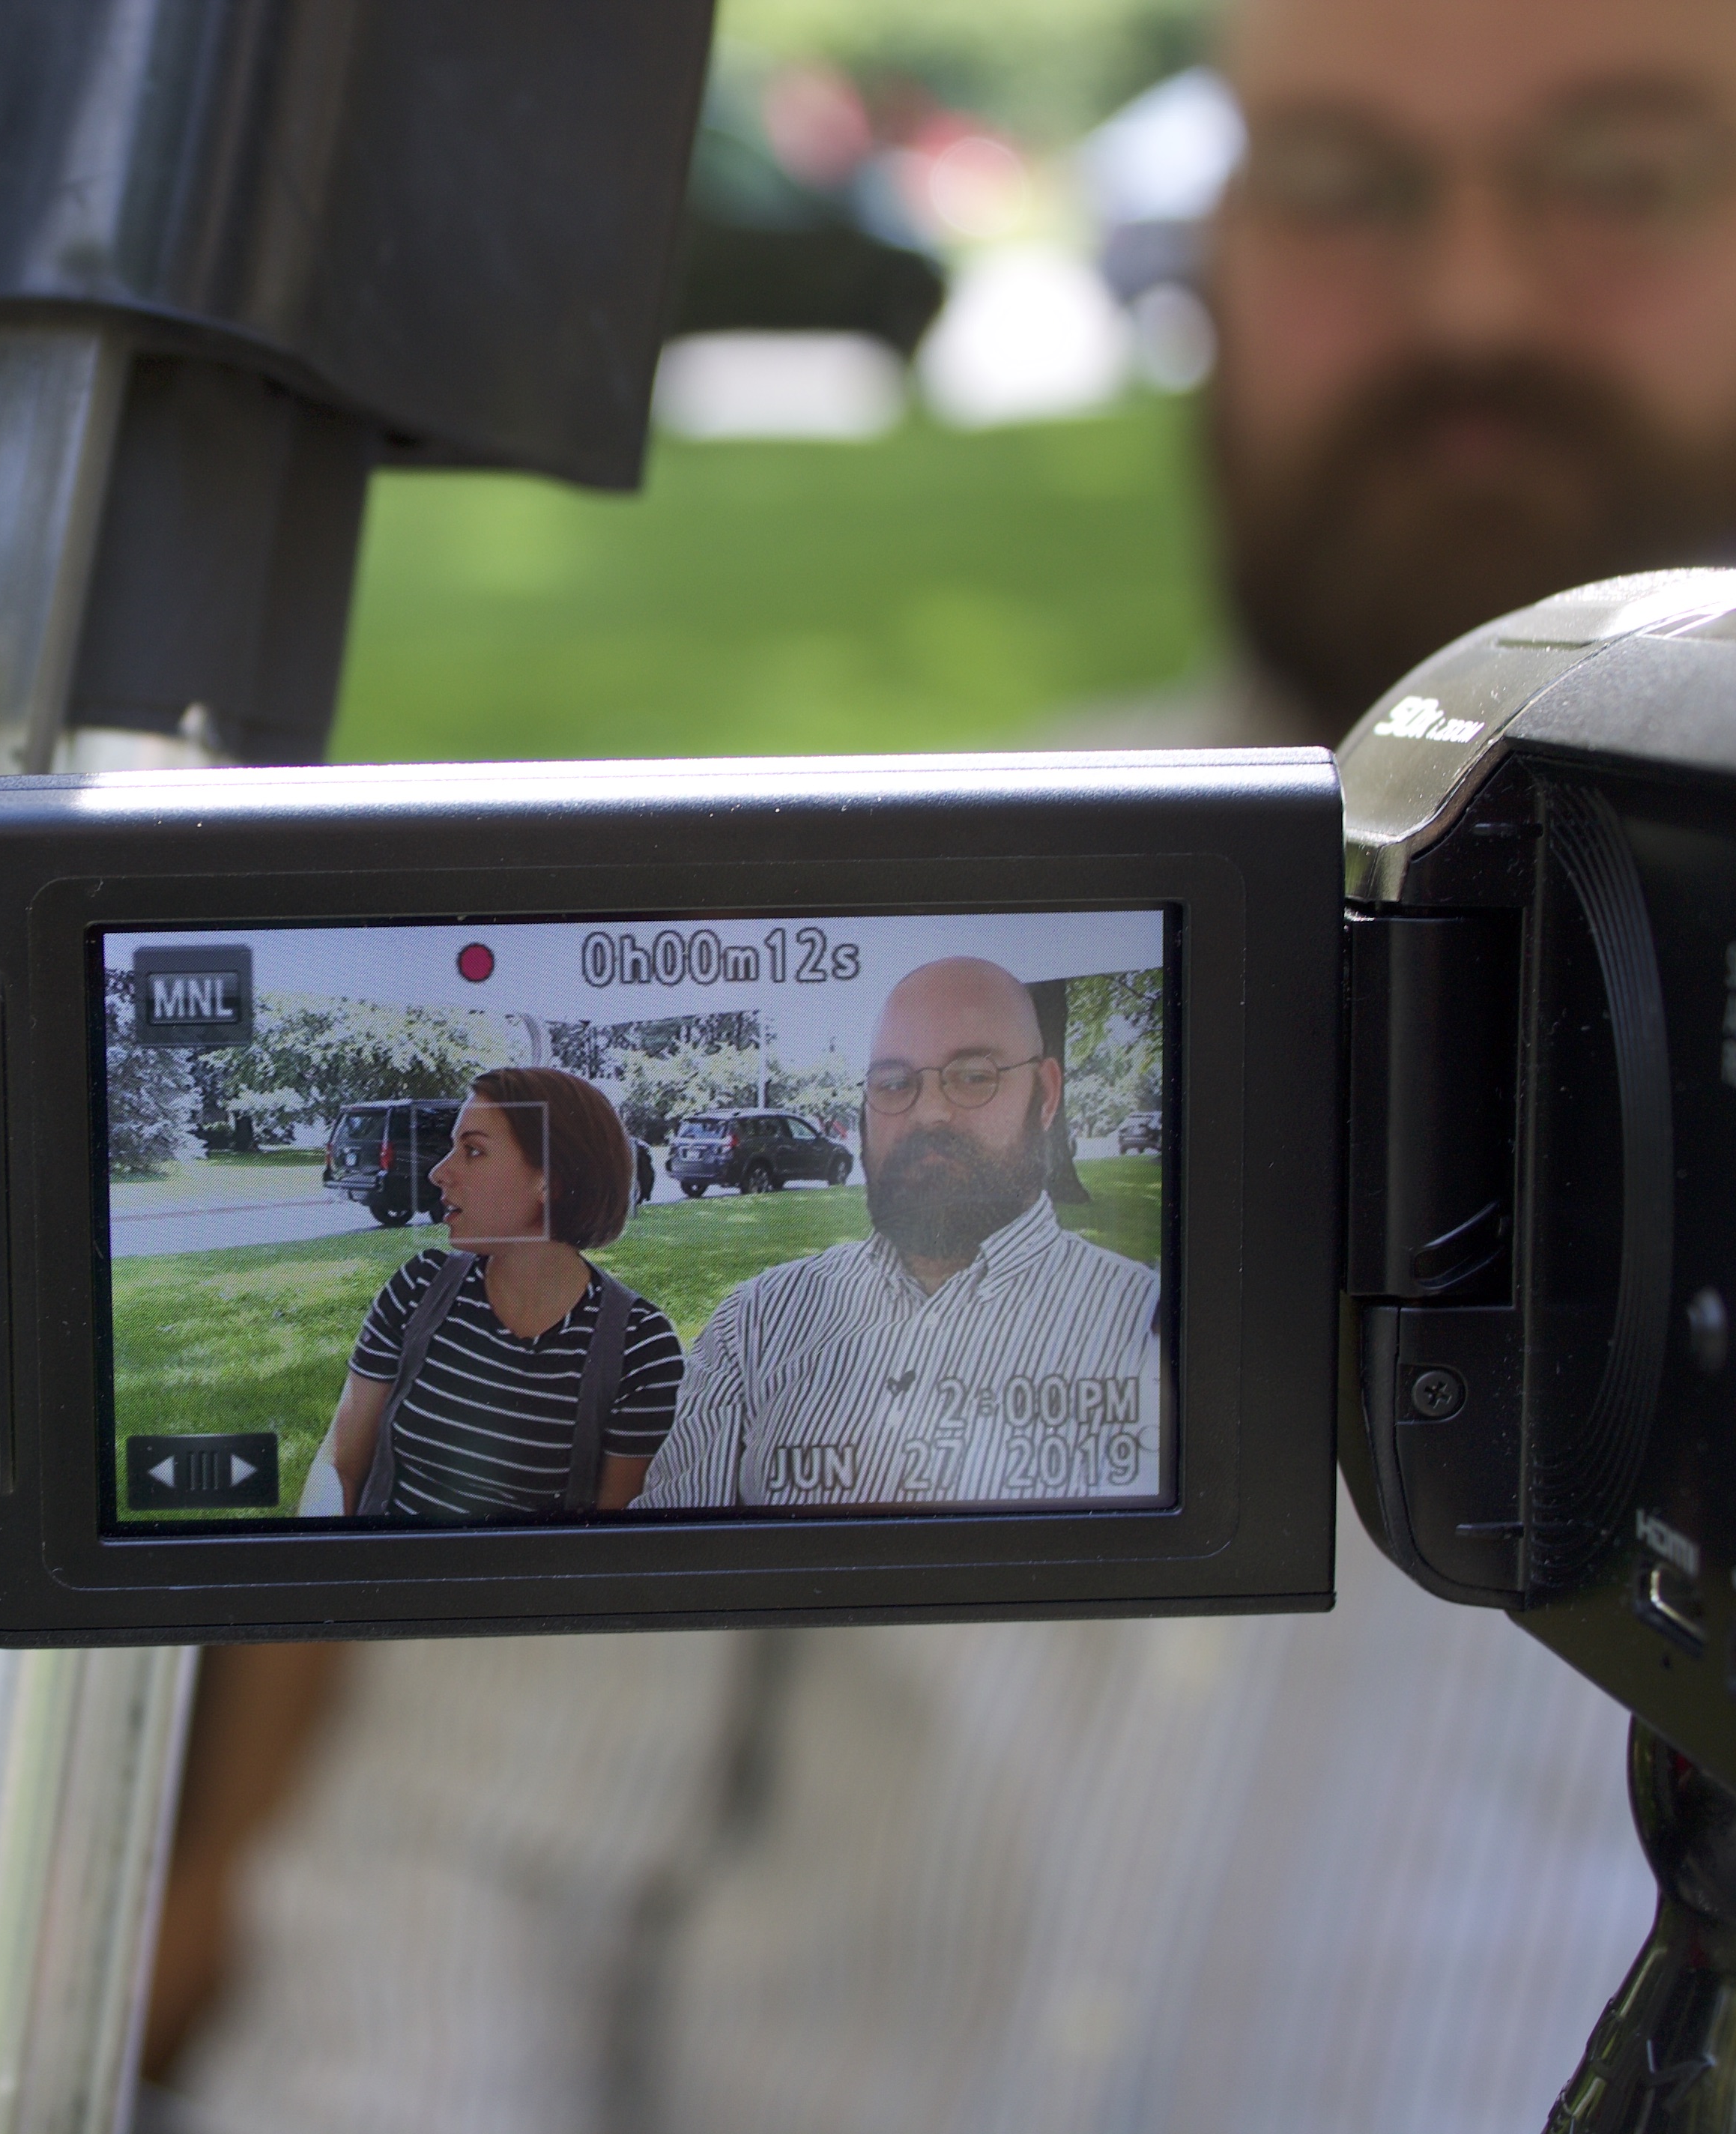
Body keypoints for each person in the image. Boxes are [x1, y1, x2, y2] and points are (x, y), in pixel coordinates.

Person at [153, 0, 1736, 2124]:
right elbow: (459, 1881)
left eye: (1617, 171)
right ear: (1223, 238)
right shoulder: (869, 922)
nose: (1466, 294)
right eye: (1349, 181)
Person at [635, 957, 1160, 1511]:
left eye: (975, 1075)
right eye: (893, 1083)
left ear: (1047, 1093)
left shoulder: (1147, 1327)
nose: (929, 1111)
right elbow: (670, 1572)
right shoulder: (754, 1328)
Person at [315, 1068, 683, 1519]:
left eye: (473, 1151)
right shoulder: (420, 1287)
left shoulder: (640, 1346)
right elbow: (341, 1467)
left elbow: (607, 1549)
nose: (439, 1172)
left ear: (549, 1179)